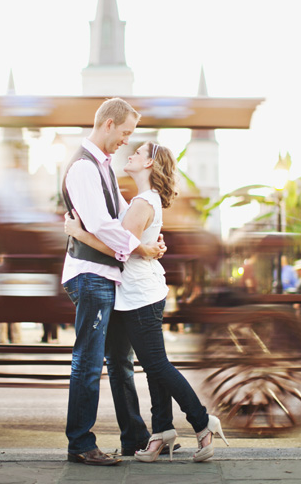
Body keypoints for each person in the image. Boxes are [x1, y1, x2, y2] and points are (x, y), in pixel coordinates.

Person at [65, 141, 228, 463]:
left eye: (139, 153)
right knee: (151, 366)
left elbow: (118, 247)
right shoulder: (139, 200)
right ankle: (161, 430)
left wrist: (78, 233)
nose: (133, 154)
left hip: (140, 293)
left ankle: (202, 421)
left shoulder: (142, 202)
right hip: (133, 292)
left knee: (156, 365)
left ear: (150, 164)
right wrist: (148, 244)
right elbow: (131, 239)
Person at [60, 98, 167, 466]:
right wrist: (141, 248)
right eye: (125, 133)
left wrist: (148, 240)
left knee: (120, 361)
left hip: (107, 275)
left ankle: (134, 438)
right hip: (90, 275)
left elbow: (123, 216)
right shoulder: (84, 169)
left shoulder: (102, 166)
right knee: (88, 361)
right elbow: (103, 227)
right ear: (108, 125)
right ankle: (80, 444)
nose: (126, 140)